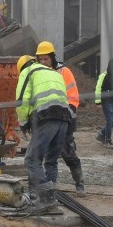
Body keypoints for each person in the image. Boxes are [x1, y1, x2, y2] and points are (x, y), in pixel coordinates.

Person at [15, 54, 72, 207]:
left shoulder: (28, 72)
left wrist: (23, 123)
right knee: (51, 161)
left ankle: (46, 198)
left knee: (32, 159)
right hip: (64, 119)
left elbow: (22, 101)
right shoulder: (54, 72)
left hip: (46, 117)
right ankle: (49, 196)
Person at [35, 40, 85, 196]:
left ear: (52, 57)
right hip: (47, 120)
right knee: (49, 155)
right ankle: (49, 188)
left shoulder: (64, 72)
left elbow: (73, 96)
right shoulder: (38, 74)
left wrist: (67, 115)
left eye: (46, 59)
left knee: (68, 152)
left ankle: (79, 183)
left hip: (65, 119)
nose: (43, 62)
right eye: (40, 59)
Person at [95, 58, 113, 146]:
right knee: (109, 120)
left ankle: (101, 134)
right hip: (106, 101)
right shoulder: (103, 76)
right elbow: (98, 89)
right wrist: (98, 102)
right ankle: (108, 140)